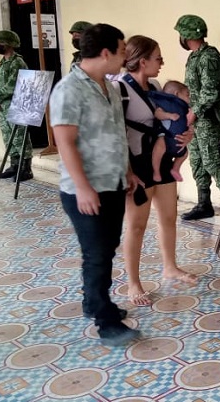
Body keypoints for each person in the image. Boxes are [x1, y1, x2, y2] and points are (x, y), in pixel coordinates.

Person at [49, 23, 141, 347]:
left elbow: (118, 135)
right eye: (122, 50)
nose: (125, 57)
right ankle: (106, 321)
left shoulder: (110, 87)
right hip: (85, 190)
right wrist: (83, 187)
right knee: (97, 254)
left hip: (113, 183)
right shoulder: (68, 90)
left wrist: (127, 172)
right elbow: (65, 142)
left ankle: (92, 302)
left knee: (106, 247)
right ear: (106, 53)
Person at [114, 35, 197, 307]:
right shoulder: (119, 89)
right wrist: (125, 170)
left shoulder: (157, 86)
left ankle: (170, 266)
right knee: (136, 225)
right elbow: (115, 134)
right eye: (158, 58)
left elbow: (173, 122)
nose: (162, 63)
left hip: (161, 160)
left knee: (168, 217)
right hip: (136, 164)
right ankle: (133, 283)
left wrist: (187, 135)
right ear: (142, 61)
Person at [174, 15, 220, 228]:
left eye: (181, 34)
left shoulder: (208, 57)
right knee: (198, 162)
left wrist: (194, 113)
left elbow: (210, 93)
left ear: (188, 35)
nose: (180, 38)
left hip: (209, 119)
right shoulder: (195, 57)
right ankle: (204, 204)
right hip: (196, 119)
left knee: (213, 161)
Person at [0, 30, 33, 182]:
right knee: (8, 137)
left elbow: (13, 85)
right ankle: (14, 165)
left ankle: (26, 168)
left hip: (17, 105)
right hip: (3, 106)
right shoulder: (2, 62)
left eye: (1, 43)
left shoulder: (17, 62)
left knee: (19, 137)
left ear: (10, 44)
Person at [149, 80, 191, 182]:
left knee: (185, 154)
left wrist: (190, 132)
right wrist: (169, 116)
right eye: (187, 95)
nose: (189, 98)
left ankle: (175, 169)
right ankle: (156, 171)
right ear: (177, 94)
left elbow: (189, 122)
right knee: (159, 147)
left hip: (179, 140)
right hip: (166, 135)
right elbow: (157, 114)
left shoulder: (184, 108)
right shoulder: (165, 104)